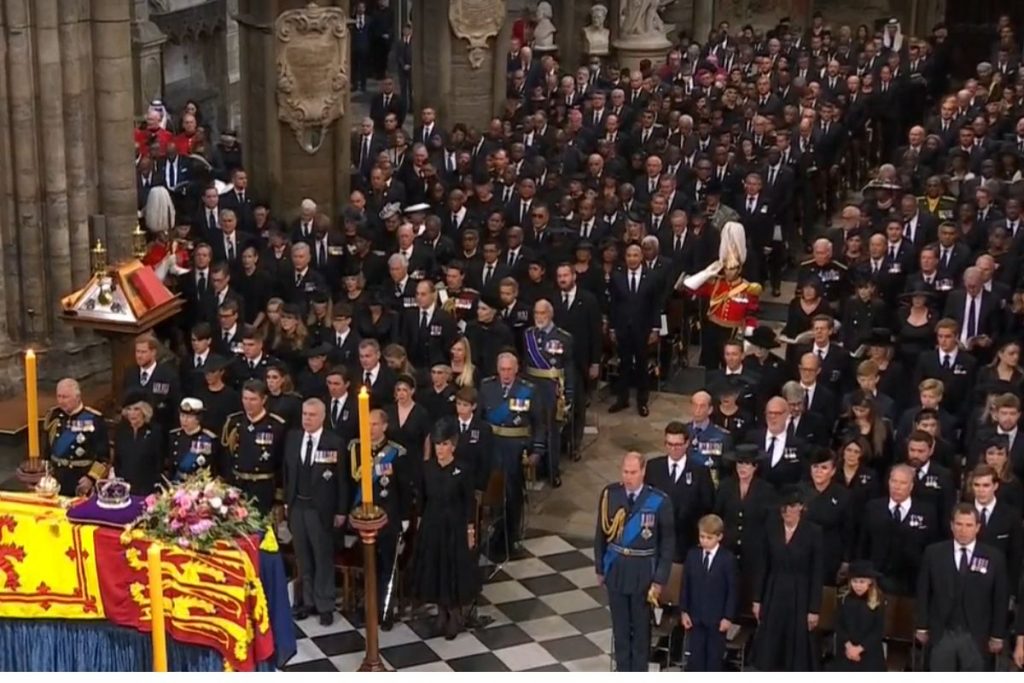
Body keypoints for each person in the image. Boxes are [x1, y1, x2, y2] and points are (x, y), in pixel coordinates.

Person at [594, 451, 674, 672]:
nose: (629, 477)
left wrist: (659, 580)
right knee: (620, 629)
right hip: (616, 570)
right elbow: (601, 534)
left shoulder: (659, 501)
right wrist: (600, 567)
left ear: (643, 471)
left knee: (640, 631)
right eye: (625, 472)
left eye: (633, 472)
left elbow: (667, 544)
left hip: (643, 574)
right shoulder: (610, 494)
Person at [915, 503, 1009, 671]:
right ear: (951, 525)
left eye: (968, 525)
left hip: (977, 635)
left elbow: (1000, 599)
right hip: (942, 633)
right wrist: (922, 625)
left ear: (978, 527)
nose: (963, 530)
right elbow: (923, 592)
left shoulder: (994, 557)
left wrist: (997, 635)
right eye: (958, 524)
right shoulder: (934, 553)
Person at [409, 421, 480, 639]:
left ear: (453, 446)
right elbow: (422, 498)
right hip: (433, 524)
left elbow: (469, 502)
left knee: (453, 570)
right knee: (435, 569)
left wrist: (470, 531)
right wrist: (420, 524)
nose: (440, 448)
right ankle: (440, 613)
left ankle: (454, 615)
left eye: (445, 444)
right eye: (437, 444)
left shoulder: (463, 469)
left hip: (455, 526)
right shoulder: (427, 467)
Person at [347, 409, 415, 629]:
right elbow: (351, 484)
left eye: (375, 424)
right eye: (367, 424)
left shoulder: (396, 452)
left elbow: (404, 488)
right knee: (367, 565)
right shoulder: (356, 448)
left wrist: (404, 517)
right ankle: (367, 606)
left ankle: (386, 609)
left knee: (387, 565)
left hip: (388, 518)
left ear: (384, 426)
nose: (370, 428)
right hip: (363, 518)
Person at [283, 398, 347, 626]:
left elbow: (342, 480)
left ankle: (325, 604)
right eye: (304, 414)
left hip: (321, 509)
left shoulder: (334, 442)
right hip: (298, 506)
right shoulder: (293, 438)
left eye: (311, 415)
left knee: (322, 556)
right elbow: (287, 472)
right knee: (303, 557)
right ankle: (307, 601)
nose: (307, 419)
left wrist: (341, 510)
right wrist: (286, 503)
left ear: (322, 417)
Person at [478, 352, 546, 555]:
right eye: (502, 369)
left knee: (512, 493)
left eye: (509, 369)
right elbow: (480, 418)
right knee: (491, 491)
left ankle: (512, 535)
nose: (506, 374)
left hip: (516, 447)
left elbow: (539, 423)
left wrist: (538, 450)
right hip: (491, 446)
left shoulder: (528, 390)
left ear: (516, 370)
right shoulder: (486, 386)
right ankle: (494, 532)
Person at [751, 487, 825, 672]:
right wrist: (757, 599)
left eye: (792, 507)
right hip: (774, 590)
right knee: (771, 641)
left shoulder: (813, 532)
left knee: (796, 643)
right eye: (784, 508)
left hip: (801, 593)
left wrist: (814, 609)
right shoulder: (771, 528)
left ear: (801, 507)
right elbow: (763, 566)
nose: (787, 512)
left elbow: (817, 572)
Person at [522, 298, 575, 484]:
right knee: (533, 426)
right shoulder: (528, 335)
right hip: (532, 387)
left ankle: (553, 471)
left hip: (552, 388)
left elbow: (568, 367)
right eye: (536, 313)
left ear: (550, 314)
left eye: (543, 313)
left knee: (552, 430)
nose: (539, 317)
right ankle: (533, 468)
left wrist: (568, 393)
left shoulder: (563, 338)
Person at [644, 421, 713, 562]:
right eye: (669, 444)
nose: (674, 449)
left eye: (678, 445)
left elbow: (708, 505)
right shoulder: (653, 467)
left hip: (687, 545)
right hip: (659, 542)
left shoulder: (700, 471)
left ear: (687, 443)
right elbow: (645, 501)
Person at [680, 514, 738, 672]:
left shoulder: (727, 559)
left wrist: (728, 617)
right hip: (695, 618)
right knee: (695, 661)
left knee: (713, 661)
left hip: (717, 620)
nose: (704, 541)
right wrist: (684, 611)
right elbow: (686, 585)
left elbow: (732, 590)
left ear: (719, 537)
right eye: (701, 536)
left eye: (709, 537)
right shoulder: (692, 555)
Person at [221, 379, 288, 514]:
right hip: (237, 485)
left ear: (263, 400)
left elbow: (282, 463)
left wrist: (279, 497)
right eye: (245, 398)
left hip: (262, 488)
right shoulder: (234, 422)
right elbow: (226, 458)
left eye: (253, 399)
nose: (248, 403)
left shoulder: (276, 426)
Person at [43, 378, 109, 496]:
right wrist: (45, 473)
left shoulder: (93, 419)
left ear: (78, 397)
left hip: (80, 479)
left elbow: (104, 457)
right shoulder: (53, 416)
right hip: (56, 480)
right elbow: (47, 450)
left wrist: (91, 478)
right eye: (59, 396)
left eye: (65, 397)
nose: (61, 401)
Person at [831, 561, 886, 671]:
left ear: (870, 581)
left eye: (862, 582)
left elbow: (878, 630)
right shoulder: (844, 598)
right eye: (854, 581)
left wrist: (859, 649)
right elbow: (838, 623)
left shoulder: (878, 601)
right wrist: (849, 646)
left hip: (869, 652)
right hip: (846, 650)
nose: (858, 585)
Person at [113, 390, 164, 496]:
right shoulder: (121, 431)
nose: (132, 413)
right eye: (129, 409)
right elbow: (117, 460)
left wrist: (156, 487)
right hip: (124, 488)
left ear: (144, 411)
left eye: (136, 409)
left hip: (147, 488)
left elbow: (159, 462)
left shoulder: (155, 431)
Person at [169, 397, 221, 481]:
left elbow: (214, 467)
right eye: (182, 416)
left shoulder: (209, 439)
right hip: (176, 484)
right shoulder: (174, 436)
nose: (184, 420)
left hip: (199, 486)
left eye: (189, 417)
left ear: (198, 419)